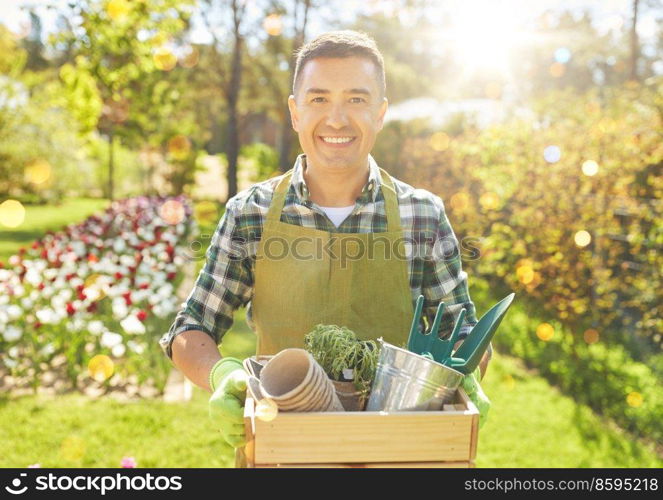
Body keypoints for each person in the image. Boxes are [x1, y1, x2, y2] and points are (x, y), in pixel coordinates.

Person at [160, 30, 491, 449]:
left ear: (380, 113)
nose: (336, 119)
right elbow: (191, 329)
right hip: (282, 446)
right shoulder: (250, 214)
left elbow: (462, 333)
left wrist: (469, 378)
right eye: (319, 99)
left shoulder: (422, 215)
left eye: (356, 99)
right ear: (295, 113)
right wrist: (223, 375)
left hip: (400, 450)